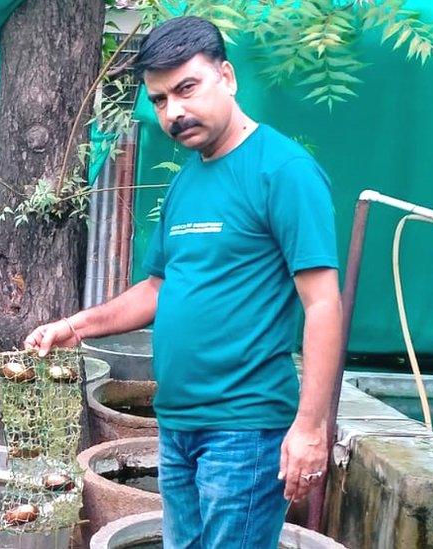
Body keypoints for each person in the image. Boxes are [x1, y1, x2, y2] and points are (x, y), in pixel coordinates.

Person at [25, 16, 342, 549]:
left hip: (245, 429)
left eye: (186, 88)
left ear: (228, 76)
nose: (174, 111)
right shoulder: (188, 181)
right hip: (176, 423)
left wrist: (310, 428)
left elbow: (323, 305)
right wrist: (75, 326)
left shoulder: (283, 171)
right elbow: (157, 289)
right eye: (159, 99)